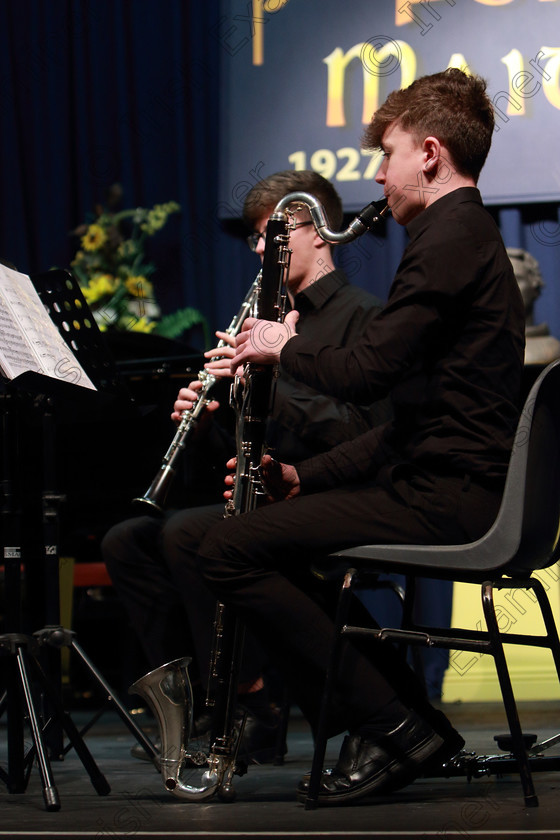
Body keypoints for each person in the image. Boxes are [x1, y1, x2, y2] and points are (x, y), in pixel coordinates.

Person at [187, 68, 526, 804]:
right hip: (445, 483)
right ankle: (409, 720)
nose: (379, 175)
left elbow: (368, 373)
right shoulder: (458, 235)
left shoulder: (448, 238)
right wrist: (304, 477)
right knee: (263, 532)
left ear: (429, 154)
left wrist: (281, 344)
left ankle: (396, 725)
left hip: (453, 499)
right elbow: (411, 419)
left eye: (389, 155)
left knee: (225, 546)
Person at [101, 169, 390, 763]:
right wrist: (207, 423)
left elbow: (365, 433)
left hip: (329, 494)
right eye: (257, 239)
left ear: (319, 234)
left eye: (273, 233)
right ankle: (197, 707)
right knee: (129, 541)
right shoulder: (261, 319)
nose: (262, 249)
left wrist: (276, 371)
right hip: (264, 496)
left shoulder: (365, 319)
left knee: (189, 533)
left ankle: (251, 703)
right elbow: (242, 450)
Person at [507, 247, 560, 366]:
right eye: (502, 281)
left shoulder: (552, 348)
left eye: (516, 279)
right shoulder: (487, 349)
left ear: (535, 286)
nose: (507, 288)